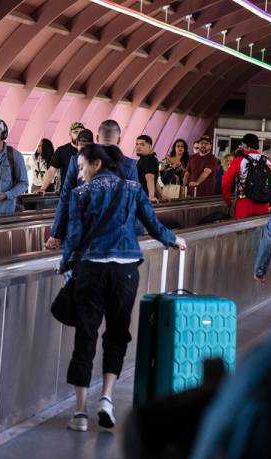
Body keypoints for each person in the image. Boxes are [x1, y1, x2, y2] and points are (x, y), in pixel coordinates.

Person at [59, 143, 186, 433]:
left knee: (86, 335)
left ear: (97, 164)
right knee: (117, 334)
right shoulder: (131, 189)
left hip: (90, 270)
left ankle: (79, 413)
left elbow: (74, 236)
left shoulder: (80, 195)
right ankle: (106, 398)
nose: (80, 175)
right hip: (124, 270)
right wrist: (172, 240)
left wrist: (65, 264)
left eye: (82, 167)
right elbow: (152, 223)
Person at [47, 120, 139, 249]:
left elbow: (66, 198)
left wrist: (56, 234)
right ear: (119, 139)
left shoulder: (77, 162)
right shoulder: (129, 165)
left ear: (96, 138)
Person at [222, 133, 271, 219]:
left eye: (242, 145)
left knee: (241, 231)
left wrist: (228, 201)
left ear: (245, 145)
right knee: (259, 232)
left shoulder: (239, 160)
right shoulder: (267, 162)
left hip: (243, 206)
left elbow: (225, 181)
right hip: (263, 206)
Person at [38, 122, 84, 194]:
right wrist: (43, 188)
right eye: (75, 132)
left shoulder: (91, 150)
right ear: (70, 134)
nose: (78, 135)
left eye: (81, 132)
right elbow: (51, 171)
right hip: (68, 194)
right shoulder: (62, 150)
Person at [135, 134, 159, 202]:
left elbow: (150, 178)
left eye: (142, 144)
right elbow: (155, 181)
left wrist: (151, 196)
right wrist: (162, 196)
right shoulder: (143, 159)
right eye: (137, 144)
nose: (138, 147)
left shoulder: (149, 159)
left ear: (150, 147)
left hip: (144, 200)